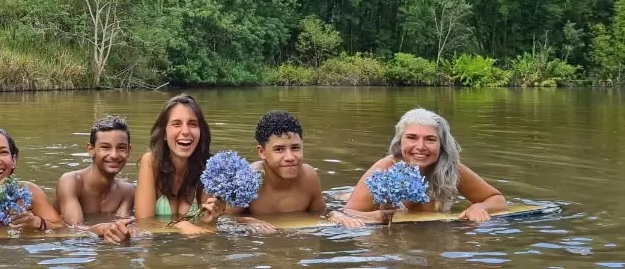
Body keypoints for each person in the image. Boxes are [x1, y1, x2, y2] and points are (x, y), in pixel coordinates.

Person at [344, 108, 508, 222]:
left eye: (430, 139)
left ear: (441, 145)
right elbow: (348, 213)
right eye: (412, 137)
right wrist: (379, 216)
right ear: (400, 142)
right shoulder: (385, 168)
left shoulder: (451, 169)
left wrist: (480, 208)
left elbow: (498, 200)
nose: (421, 146)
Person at [226, 110, 364, 228]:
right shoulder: (249, 180)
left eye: (295, 148)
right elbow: (223, 219)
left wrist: (334, 213)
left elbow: (320, 212)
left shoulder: (309, 176)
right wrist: (244, 221)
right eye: (279, 149)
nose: (290, 157)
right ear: (262, 152)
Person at [134, 94, 225, 235]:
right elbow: (143, 223)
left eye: (193, 124)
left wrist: (211, 220)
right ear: (164, 133)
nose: (185, 131)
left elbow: (207, 230)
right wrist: (180, 226)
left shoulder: (208, 168)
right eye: (176, 124)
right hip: (157, 249)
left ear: (201, 132)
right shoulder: (151, 162)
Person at [54, 116, 136, 244]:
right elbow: (72, 230)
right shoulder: (71, 181)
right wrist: (102, 228)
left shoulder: (127, 190)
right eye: (105, 147)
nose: (114, 155)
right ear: (91, 150)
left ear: (129, 151)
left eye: (121, 148)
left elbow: (122, 226)